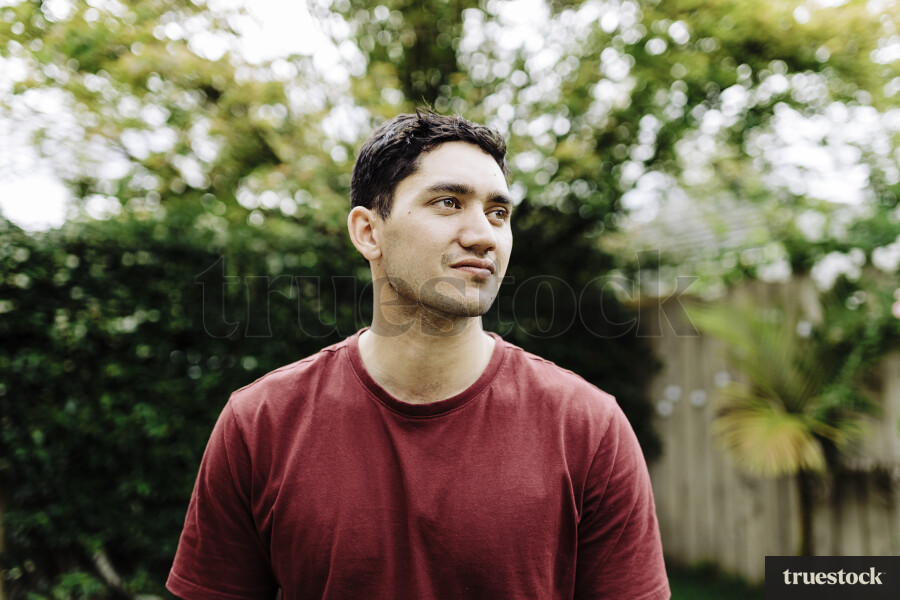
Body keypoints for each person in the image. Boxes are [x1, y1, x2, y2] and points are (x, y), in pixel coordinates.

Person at [167, 110, 670, 600]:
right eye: (449, 202)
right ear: (368, 232)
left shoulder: (587, 427)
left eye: (498, 212)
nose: (483, 235)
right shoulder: (260, 424)